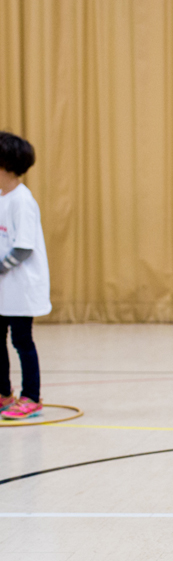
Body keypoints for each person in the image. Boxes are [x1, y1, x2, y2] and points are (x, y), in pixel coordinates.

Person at [0, 132, 51, 420]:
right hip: (5, 287)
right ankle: (4, 393)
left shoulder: (22, 201)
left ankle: (31, 395)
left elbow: (22, 249)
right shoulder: (2, 198)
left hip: (21, 287)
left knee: (21, 340)